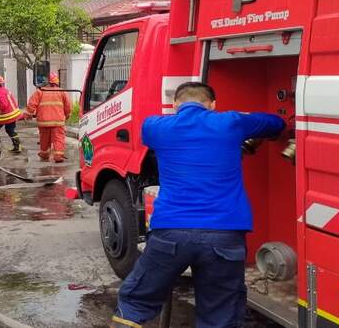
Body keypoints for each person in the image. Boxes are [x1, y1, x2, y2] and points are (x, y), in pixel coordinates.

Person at [111, 82, 285, 328]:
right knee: (220, 313)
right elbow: (275, 124)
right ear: (212, 105)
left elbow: (150, 135)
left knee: (136, 301)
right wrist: (246, 122)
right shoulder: (231, 122)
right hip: (225, 235)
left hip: (170, 234)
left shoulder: (155, 127)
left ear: (175, 105)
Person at [25, 72, 71, 163]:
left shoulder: (40, 91)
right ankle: (58, 156)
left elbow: (31, 104)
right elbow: (68, 106)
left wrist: (29, 114)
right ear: (56, 82)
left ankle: (44, 154)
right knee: (58, 138)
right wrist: (67, 115)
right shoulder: (62, 92)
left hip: (43, 121)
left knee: (44, 138)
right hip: (58, 121)